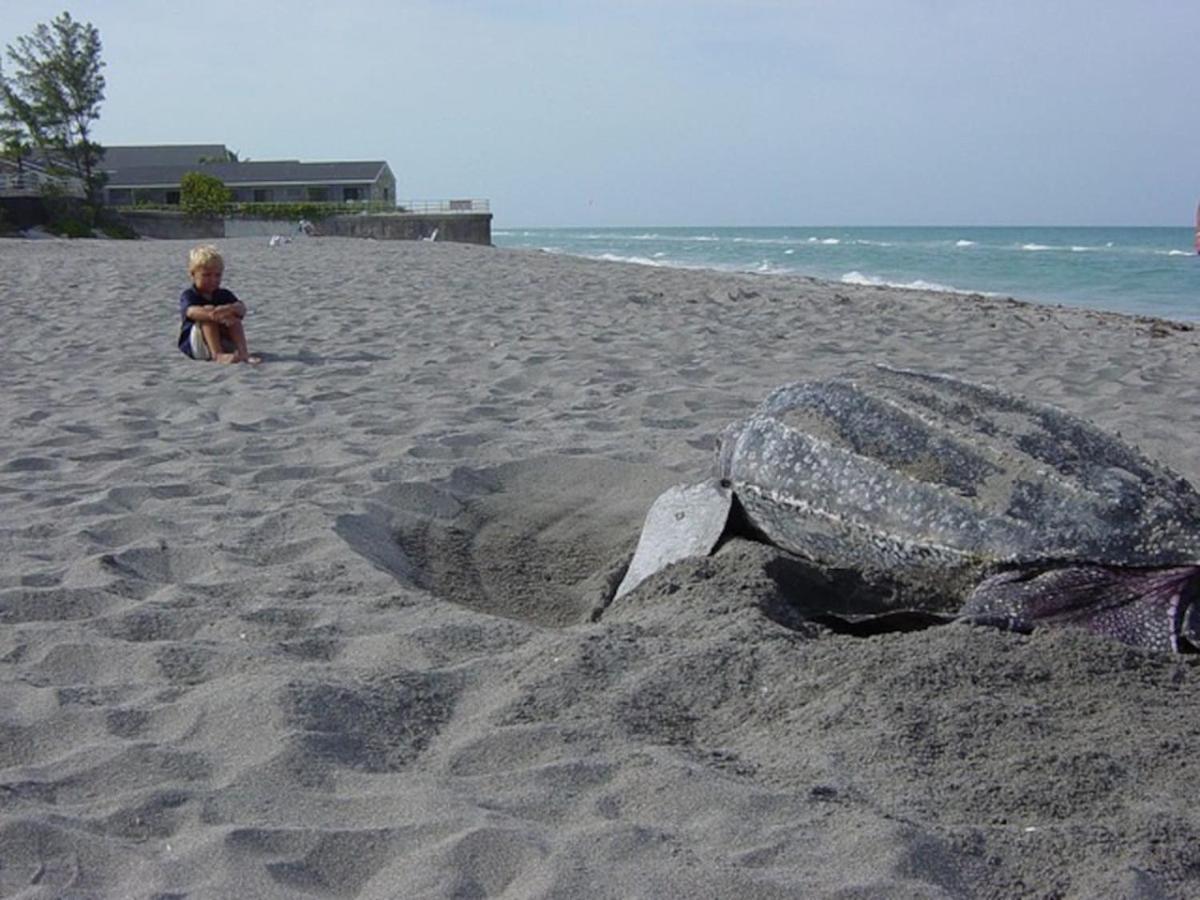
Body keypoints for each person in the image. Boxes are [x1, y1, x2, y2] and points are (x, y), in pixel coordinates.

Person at [177, 244, 260, 364]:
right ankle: (217, 354)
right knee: (207, 312)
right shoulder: (190, 294)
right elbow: (191, 311)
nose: (213, 280)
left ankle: (243, 353)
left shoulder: (223, 294)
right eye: (206, 275)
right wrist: (212, 314)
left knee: (233, 317)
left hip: (224, 340)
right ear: (193, 274)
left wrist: (229, 309)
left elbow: (241, 308)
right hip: (198, 345)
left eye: (217, 275)